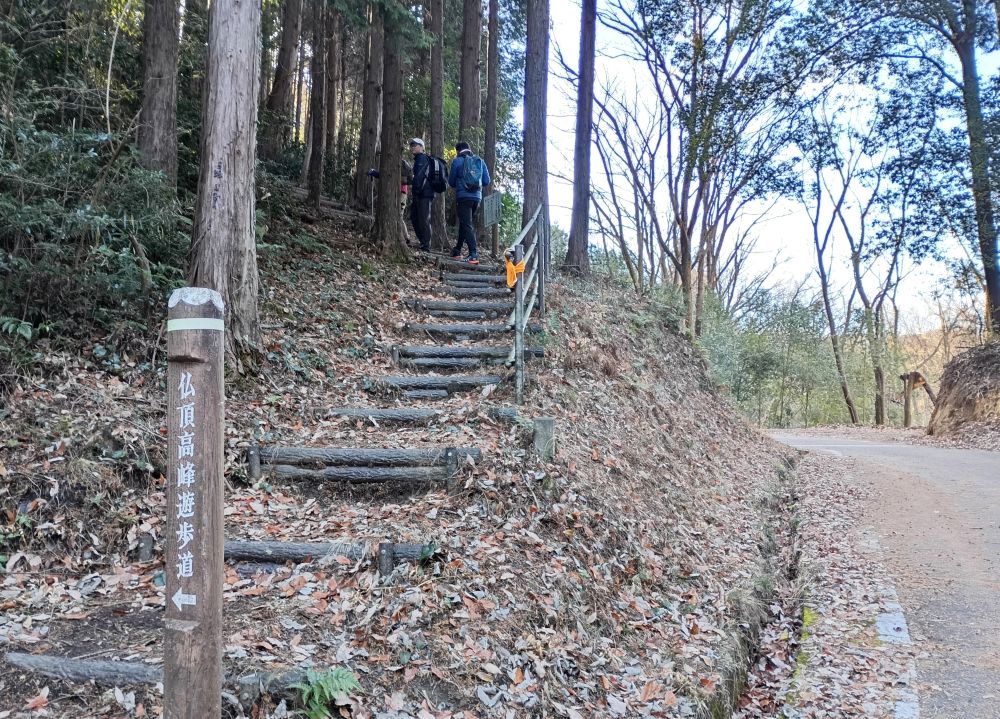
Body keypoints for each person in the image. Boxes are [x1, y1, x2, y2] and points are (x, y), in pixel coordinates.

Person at [448, 141, 491, 264]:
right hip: (476, 198)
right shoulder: (480, 161)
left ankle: (473, 254)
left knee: (466, 224)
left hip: (463, 197)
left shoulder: (457, 161)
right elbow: (486, 181)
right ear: (469, 149)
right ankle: (457, 250)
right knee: (464, 222)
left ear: (458, 151)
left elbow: (451, 182)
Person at [408, 138, 434, 251]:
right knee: (415, 217)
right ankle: (423, 242)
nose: (412, 147)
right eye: (411, 145)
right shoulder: (419, 159)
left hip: (424, 194)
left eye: (415, 145)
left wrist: (416, 191)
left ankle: (426, 246)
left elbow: (419, 178)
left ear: (422, 147)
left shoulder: (422, 159)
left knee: (424, 219)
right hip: (420, 194)